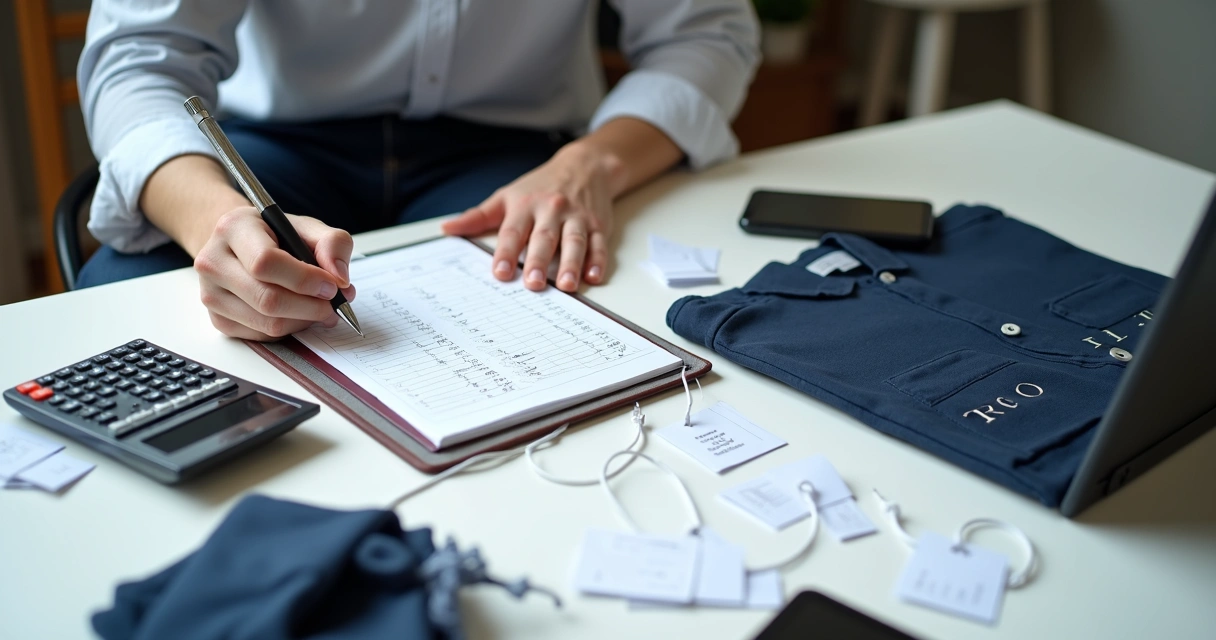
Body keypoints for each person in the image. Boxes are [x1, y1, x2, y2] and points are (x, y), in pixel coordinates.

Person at [77, 1, 760, 341]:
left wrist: (591, 164)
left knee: (578, 318)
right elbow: (140, 58)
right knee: (128, 307)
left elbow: (704, 33)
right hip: (275, 152)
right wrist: (214, 220)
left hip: (509, 162)